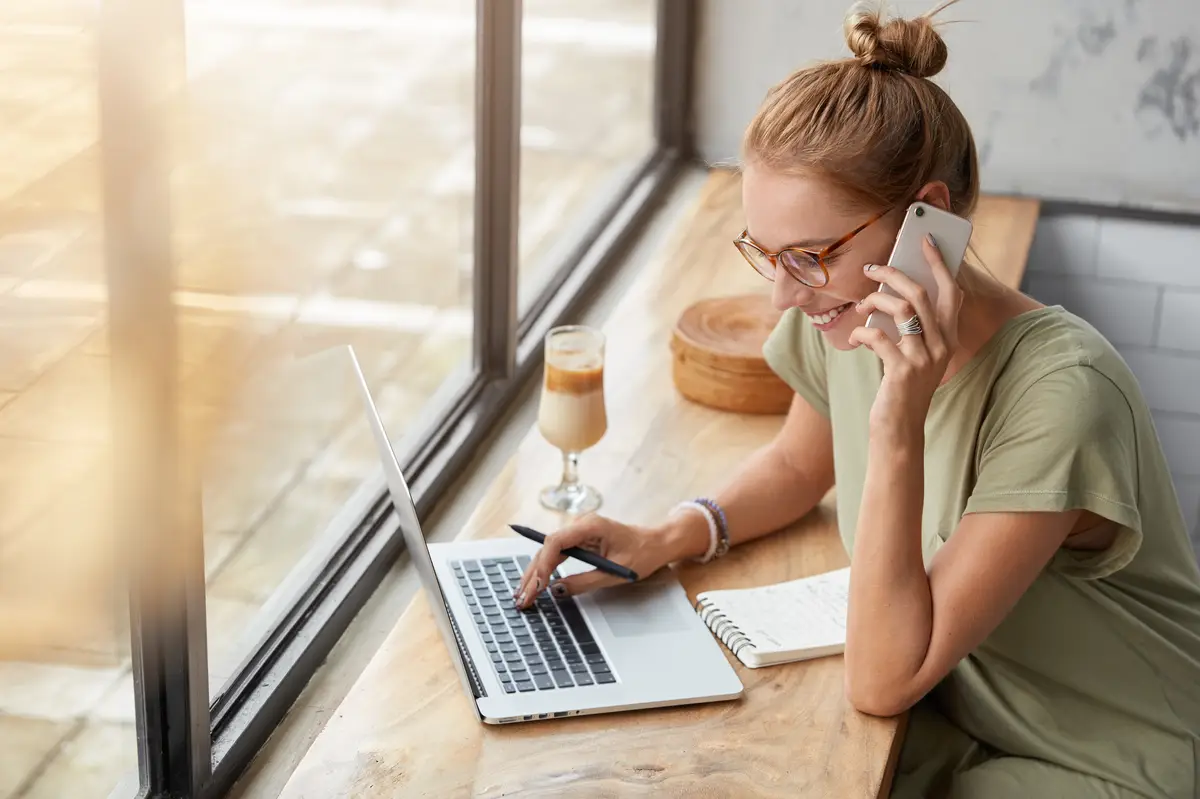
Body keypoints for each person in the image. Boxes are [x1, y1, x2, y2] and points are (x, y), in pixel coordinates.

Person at [515, 3, 1200, 797]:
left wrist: (898, 424)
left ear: (926, 219)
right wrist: (666, 534)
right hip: (970, 719)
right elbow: (799, 465)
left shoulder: (1062, 397)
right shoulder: (839, 313)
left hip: (1116, 757)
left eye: (806, 256)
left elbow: (882, 679)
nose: (780, 293)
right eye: (765, 254)